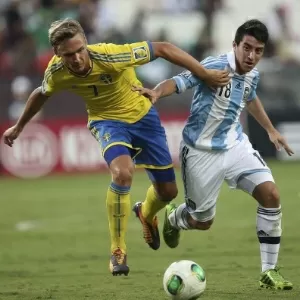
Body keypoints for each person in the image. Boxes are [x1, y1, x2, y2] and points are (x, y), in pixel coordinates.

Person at [2, 19, 230, 276]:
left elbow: (164, 48)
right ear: (57, 54)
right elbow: (41, 93)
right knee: (122, 173)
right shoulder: (56, 72)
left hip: (143, 116)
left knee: (167, 192)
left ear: (86, 44)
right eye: (68, 54)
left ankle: (145, 213)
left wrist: (204, 73)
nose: (76, 58)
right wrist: (19, 126)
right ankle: (118, 251)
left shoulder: (112, 55)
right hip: (106, 122)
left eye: (80, 50)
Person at [132, 19, 294, 289]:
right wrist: (157, 92)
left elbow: (250, 96)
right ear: (235, 45)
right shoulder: (215, 66)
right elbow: (180, 80)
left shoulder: (253, 73)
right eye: (247, 47)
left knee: (271, 194)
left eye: (258, 50)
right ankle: (173, 218)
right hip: (200, 152)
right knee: (201, 221)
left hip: (235, 146)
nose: (251, 56)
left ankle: (269, 270)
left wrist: (269, 129)